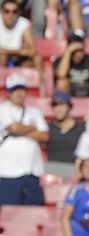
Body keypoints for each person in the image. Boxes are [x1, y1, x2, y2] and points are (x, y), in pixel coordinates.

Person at [0, 73, 47, 205]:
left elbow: (44, 136)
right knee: (10, 216)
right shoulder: (2, 109)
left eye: (21, 89)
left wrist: (21, 130)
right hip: (7, 172)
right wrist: (33, 128)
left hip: (32, 171)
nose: (19, 93)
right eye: (15, 90)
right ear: (8, 93)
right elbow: (14, 128)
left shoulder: (34, 112)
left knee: (32, 213)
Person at [46, 90, 86, 164]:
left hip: (76, 170)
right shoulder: (47, 129)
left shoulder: (83, 127)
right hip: (53, 171)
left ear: (69, 107)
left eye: (62, 104)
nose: (59, 109)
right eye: (55, 105)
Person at [0, 0, 38, 67]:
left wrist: (8, 52)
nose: (10, 14)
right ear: (1, 11)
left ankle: (41, 77)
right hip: (4, 57)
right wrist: (19, 52)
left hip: (17, 59)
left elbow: (32, 49)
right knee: (3, 57)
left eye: (14, 11)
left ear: (18, 12)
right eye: (7, 11)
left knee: (37, 58)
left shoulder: (23, 23)